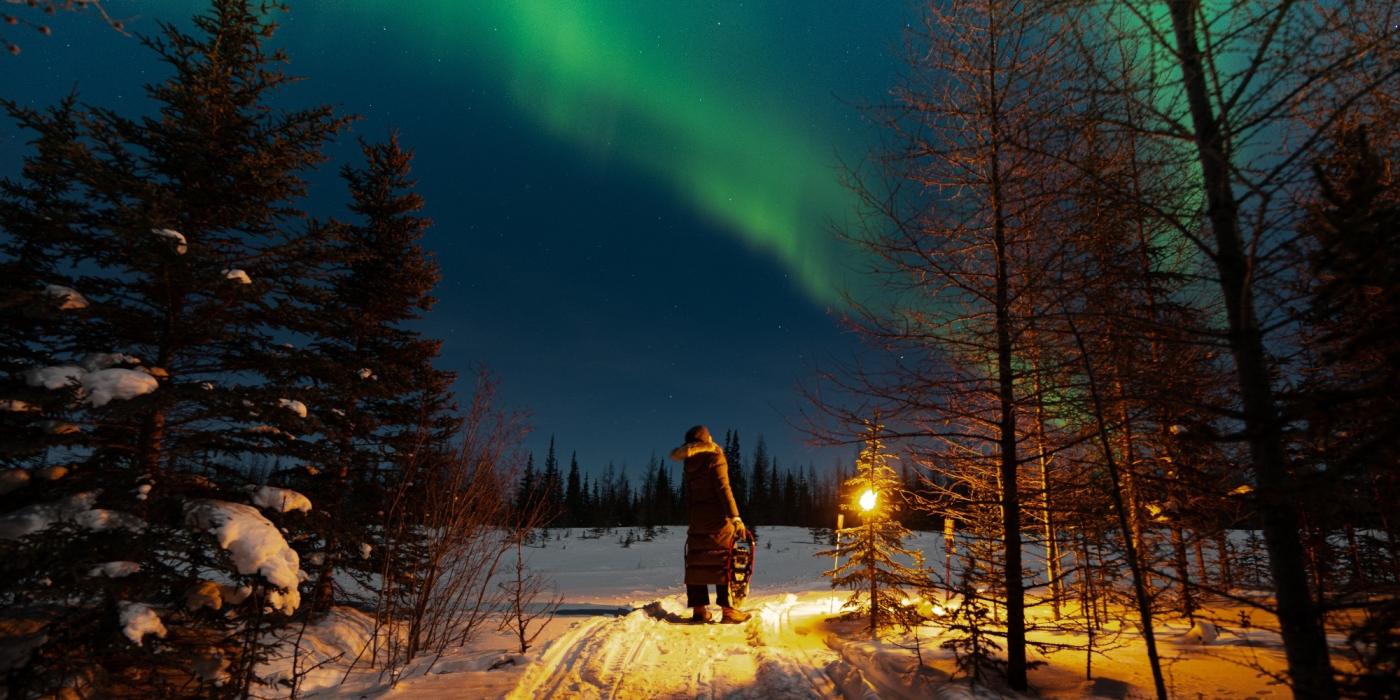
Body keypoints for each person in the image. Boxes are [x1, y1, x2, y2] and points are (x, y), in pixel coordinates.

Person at [670, 424, 752, 624]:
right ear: (707, 439)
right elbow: (724, 489)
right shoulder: (715, 457)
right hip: (718, 519)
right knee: (724, 561)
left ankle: (699, 611)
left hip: (697, 519)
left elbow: (689, 496)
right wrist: (735, 517)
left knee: (697, 562)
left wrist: (693, 515)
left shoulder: (689, 463)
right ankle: (728, 610)